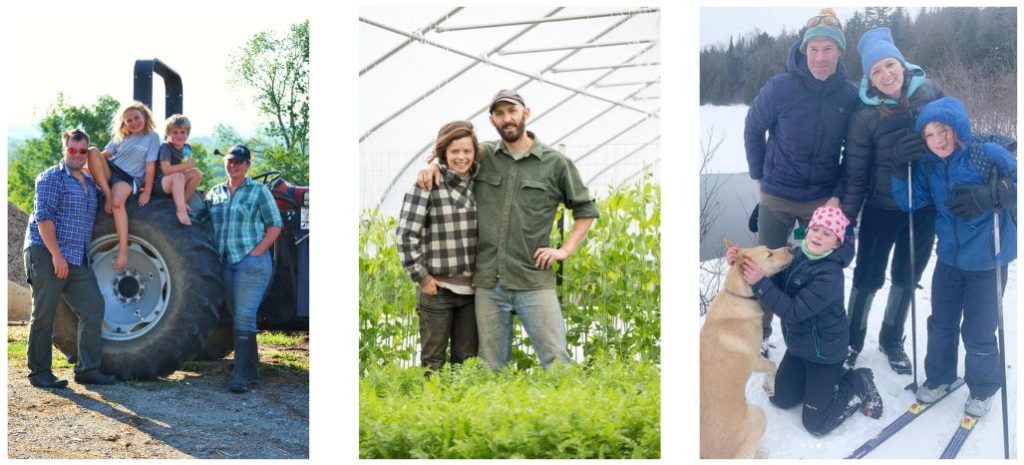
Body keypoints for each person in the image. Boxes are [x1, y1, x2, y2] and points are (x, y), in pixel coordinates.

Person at [418, 89, 599, 370]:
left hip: (533, 280)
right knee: (491, 368)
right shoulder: (484, 155)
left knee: (557, 362)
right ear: (492, 120)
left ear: (526, 113)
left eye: (512, 111)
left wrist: (564, 250)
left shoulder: (555, 163)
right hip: (488, 283)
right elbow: (453, 155)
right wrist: (429, 165)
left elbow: (586, 210)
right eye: (499, 114)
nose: (507, 119)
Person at [743, 8, 859, 355]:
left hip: (821, 202)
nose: (820, 58)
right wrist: (758, 174)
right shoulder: (781, 88)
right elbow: (752, 128)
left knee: (819, 269)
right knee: (764, 266)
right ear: (803, 50)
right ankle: (758, 333)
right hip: (777, 195)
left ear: (839, 52)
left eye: (828, 50)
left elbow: (853, 155)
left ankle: (810, 327)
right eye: (814, 49)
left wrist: (837, 197)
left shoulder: (849, 96)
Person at [892, 97, 1016, 417]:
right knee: (941, 324)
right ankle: (940, 378)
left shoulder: (984, 153)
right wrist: (898, 167)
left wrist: (994, 194)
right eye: (929, 135)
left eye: (944, 130)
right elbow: (909, 201)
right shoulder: (930, 164)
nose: (938, 140)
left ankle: (983, 388)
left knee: (978, 331)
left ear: (957, 128)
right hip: (948, 260)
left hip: (987, 262)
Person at [839, 27, 945, 374]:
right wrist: (846, 223)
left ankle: (891, 337)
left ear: (901, 63)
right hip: (881, 208)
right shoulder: (864, 115)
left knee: (907, 273)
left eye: (889, 65)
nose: (886, 75)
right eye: (876, 70)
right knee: (868, 275)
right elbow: (855, 174)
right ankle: (852, 339)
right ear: (869, 77)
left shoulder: (930, 94)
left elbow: (953, 138)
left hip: (924, 207)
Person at [728, 206, 882, 436]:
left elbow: (793, 311)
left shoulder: (830, 275)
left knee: (816, 424)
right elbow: (774, 280)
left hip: (825, 354)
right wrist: (741, 260)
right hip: (799, 349)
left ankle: (859, 381)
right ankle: (818, 384)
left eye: (827, 233)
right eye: (816, 229)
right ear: (807, 230)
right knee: (780, 399)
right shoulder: (798, 256)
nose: (819, 236)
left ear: (837, 243)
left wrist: (760, 283)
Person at [24, 129, 117, 387]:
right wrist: (56, 255)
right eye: (72, 150)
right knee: (44, 314)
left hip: (77, 257)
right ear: (64, 149)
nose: (77, 155)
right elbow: (44, 218)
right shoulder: (51, 178)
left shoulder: (88, 180)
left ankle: (88, 370)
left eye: (82, 151)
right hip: (46, 253)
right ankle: (39, 373)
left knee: (93, 308)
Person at [191, 145, 283, 393]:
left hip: (251, 263)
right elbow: (198, 219)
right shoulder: (215, 193)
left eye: (239, 162)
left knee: (244, 314)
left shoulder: (259, 191)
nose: (234, 165)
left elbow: (275, 225)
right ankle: (251, 371)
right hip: (226, 263)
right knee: (237, 314)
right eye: (230, 161)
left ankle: (241, 375)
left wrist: (257, 251)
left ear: (248, 165)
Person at [396, 121, 482, 372]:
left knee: (465, 362)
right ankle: (429, 408)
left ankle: (460, 411)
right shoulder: (427, 184)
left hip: (472, 292)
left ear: (475, 152)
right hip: (438, 290)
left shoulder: (480, 183)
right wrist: (421, 277)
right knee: (432, 363)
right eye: (455, 151)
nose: (462, 157)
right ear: (444, 152)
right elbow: (405, 235)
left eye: (467, 151)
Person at [86, 101, 161, 270]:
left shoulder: (152, 137)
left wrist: (147, 191)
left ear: (145, 117)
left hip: (128, 177)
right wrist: (86, 168)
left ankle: (123, 250)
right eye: (129, 120)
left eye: (137, 118)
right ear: (124, 123)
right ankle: (106, 192)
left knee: (117, 203)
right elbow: (104, 155)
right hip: (112, 170)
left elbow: (150, 166)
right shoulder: (121, 137)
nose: (134, 123)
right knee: (92, 151)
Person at [155, 114, 204, 225]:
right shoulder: (166, 147)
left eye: (183, 132)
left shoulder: (187, 148)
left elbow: (186, 168)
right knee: (178, 175)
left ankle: (182, 201)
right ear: (168, 134)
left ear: (187, 134)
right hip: (162, 183)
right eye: (175, 132)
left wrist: (188, 168)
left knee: (196, 173)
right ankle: (181, 211)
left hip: (178, 181)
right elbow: (166, 170)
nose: (179, 135)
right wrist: (185, 166)